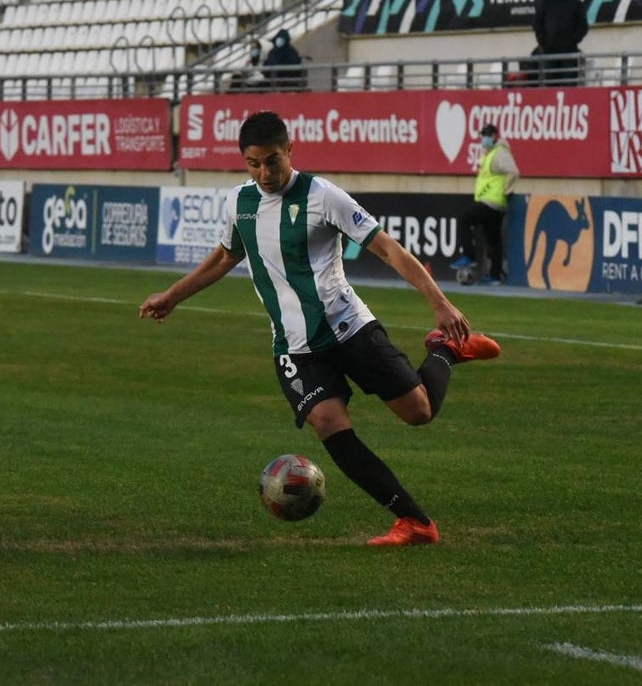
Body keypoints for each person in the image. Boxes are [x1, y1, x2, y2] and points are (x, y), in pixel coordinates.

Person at [139, 111, 500, 547]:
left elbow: (387, 248)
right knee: (329, 423)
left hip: (348, 328)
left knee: (419, 413)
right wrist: (173, 295)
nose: (265, 173)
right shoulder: (240, 203)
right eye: (253, 163)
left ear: (290, 150)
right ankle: (415, 522)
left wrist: (439, 303)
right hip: (294, 348)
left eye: (273, 160)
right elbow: (224, 257)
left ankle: (444, 350)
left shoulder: (324, 196)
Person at [450, 123, 520, 285]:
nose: (484, 139)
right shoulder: (489, 154)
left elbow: (514, 172)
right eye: (483, 135)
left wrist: (507, 190)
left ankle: (469, 255)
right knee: (493, 238)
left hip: (492, 201)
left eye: (486, 135)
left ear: (495, 136)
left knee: (464, 219)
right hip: (495, 203)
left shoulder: (499, 154)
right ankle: (494, 276)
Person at [532, 0, 589, 86]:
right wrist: (542, 40)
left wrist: (574, 40)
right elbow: (537, 23)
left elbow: (583, 26)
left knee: (569, 83)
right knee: (548, 83)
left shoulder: (576, 4)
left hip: (569, 52)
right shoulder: (546, 3)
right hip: (549, 52)